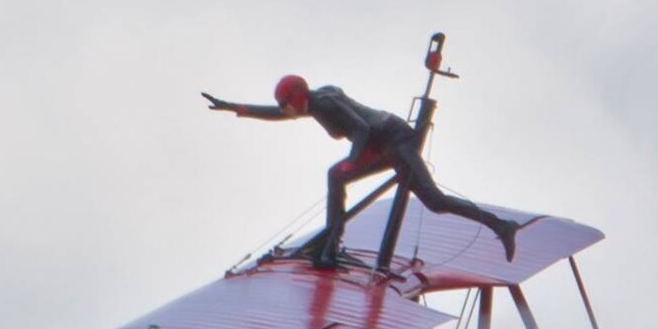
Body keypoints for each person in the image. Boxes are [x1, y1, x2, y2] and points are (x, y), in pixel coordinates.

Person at [202, 75, 520, 267]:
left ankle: (501, 226)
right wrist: (234, 107)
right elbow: (278, 114)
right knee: (335, 176)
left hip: (394, 140)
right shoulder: (313, 102)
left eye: (286, 103)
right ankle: (330, 244)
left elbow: (362, 128)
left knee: (435, 202)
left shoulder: (323, 105)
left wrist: (353, 160)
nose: (285, 109)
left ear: (297, 98)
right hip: (381, 142)